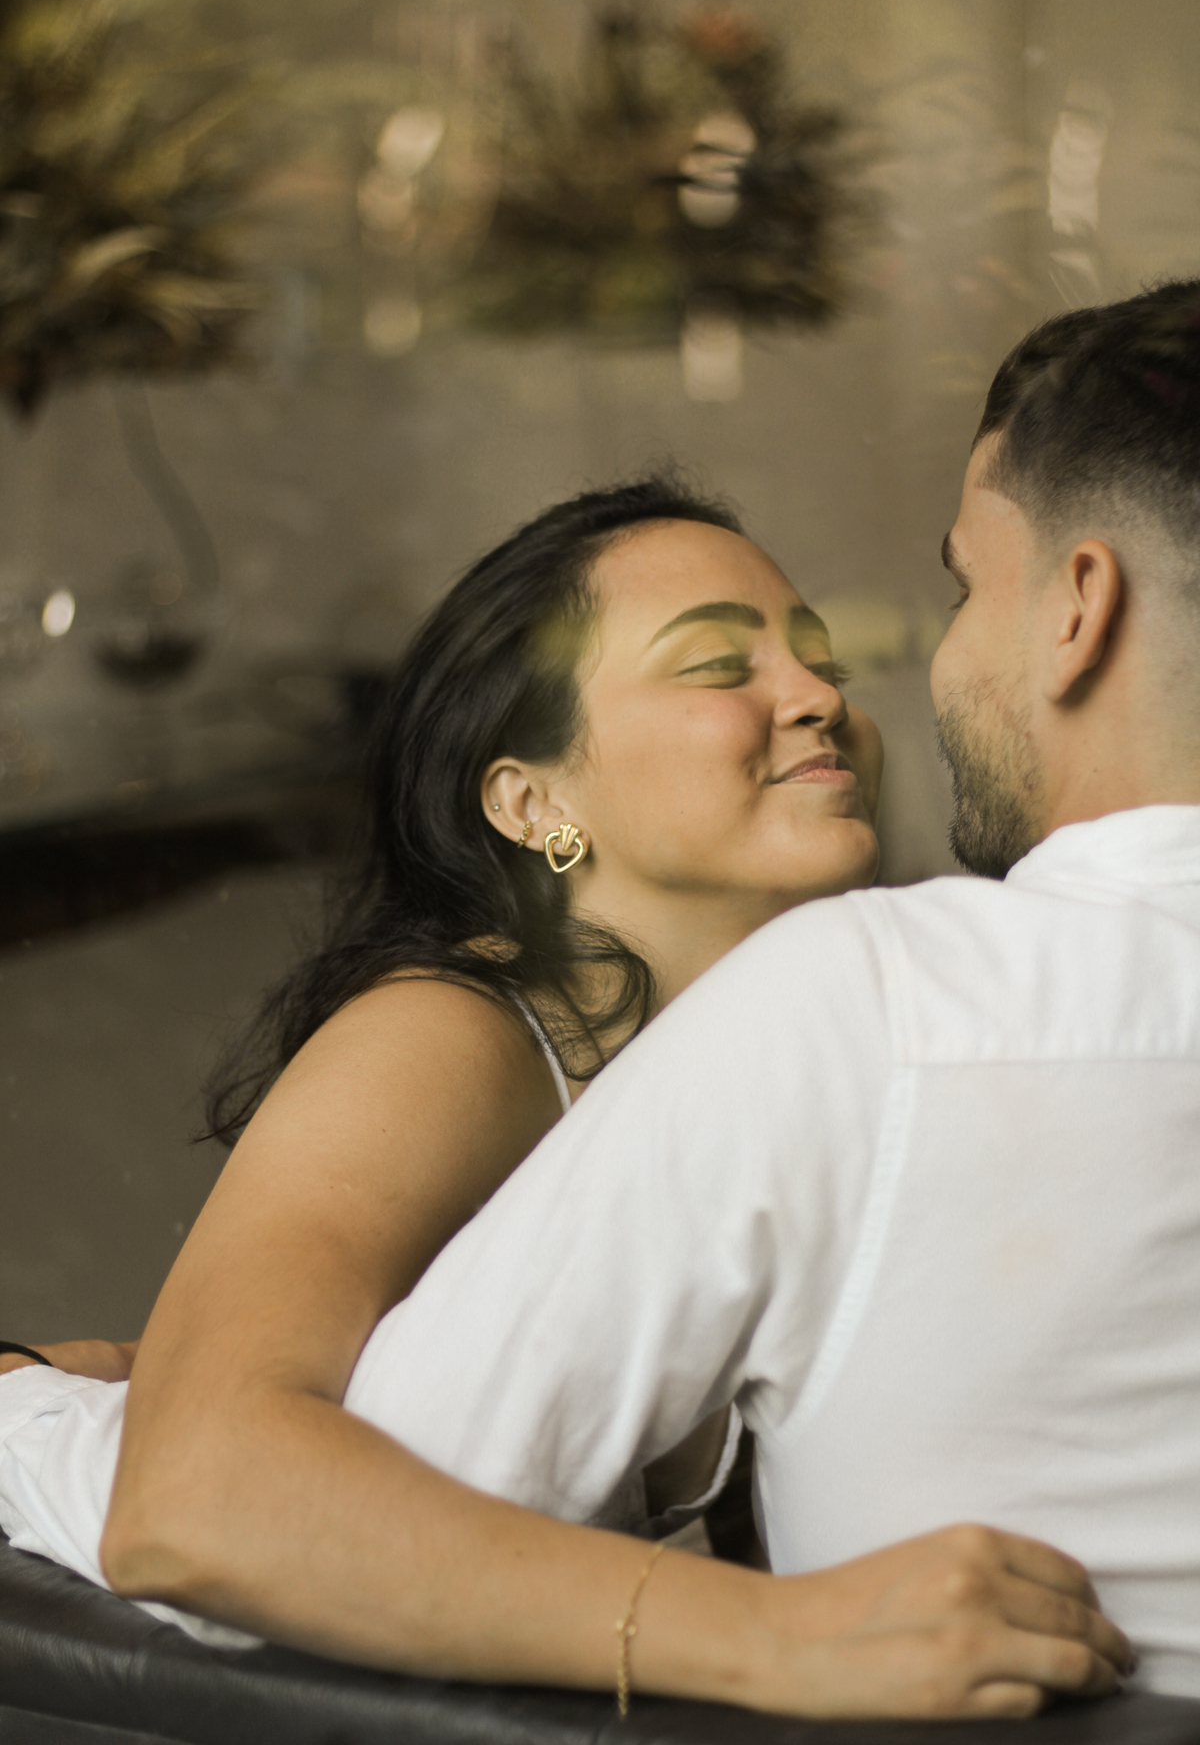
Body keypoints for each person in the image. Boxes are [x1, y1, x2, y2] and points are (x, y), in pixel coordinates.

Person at [0, 442, 1139, 1716]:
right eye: (720, 666)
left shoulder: (808, 1047)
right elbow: (191, 1499)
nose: (818, 695)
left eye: (819, 657)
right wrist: (786, 1637)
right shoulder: (447, 1035)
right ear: (533, 801)